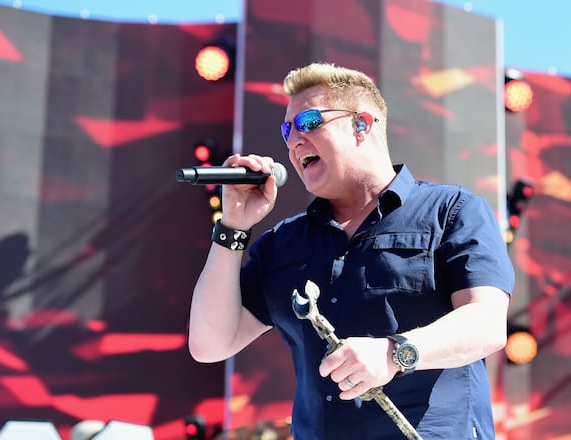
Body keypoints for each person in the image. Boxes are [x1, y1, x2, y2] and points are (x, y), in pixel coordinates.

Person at [188, 62, 515, 439]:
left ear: (362, 124)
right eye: (287, 129)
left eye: (309, 122)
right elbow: (209, 343)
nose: (293, 140)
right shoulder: (284, 243)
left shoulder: (452, 210)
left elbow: (487, 324)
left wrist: (394, 354)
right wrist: (232, 227)